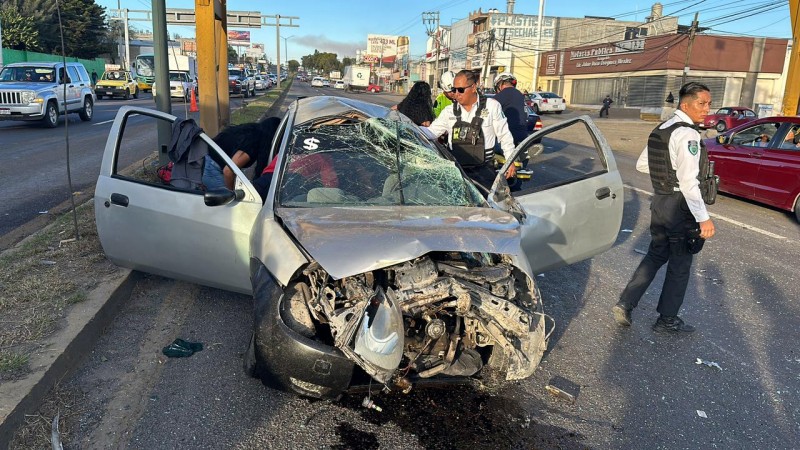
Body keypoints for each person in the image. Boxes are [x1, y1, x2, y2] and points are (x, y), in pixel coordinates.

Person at [612, 82, 716, 333]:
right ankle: (667, 319)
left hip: (661, 202)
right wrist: (704, 219)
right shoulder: (689, 134)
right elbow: (690, 183)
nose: (707, 109)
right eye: (702, 104)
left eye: (709, 104)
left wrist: (667, 178)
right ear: (685, 105)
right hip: (680, 206)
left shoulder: (663, 128)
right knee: (680, 263)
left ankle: (626, 303)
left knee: (656, 254)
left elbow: (642, 165)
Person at [425, 69, 517, 192]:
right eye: (454, 90)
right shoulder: (449, 111)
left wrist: (510, 161)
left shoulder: (492, 106)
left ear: (473, 87)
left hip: (484, 171)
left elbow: (504, 135)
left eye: (461, 90)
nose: (456, 94)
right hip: (457, 172)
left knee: (485, 209)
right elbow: (430, 132)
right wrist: (409, 128)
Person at [202, 117, 281, 191]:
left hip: (206, 158)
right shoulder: (253, 143)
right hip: (212, 167)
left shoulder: (252, 130)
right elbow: (228, 171)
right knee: (228, 202)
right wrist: (232, 193)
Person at [492, 72, 528, 146]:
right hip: (523, 136)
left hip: (509, 136)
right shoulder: (520, 95)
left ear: (500, 84)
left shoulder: (504, 94)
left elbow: (488, 109)